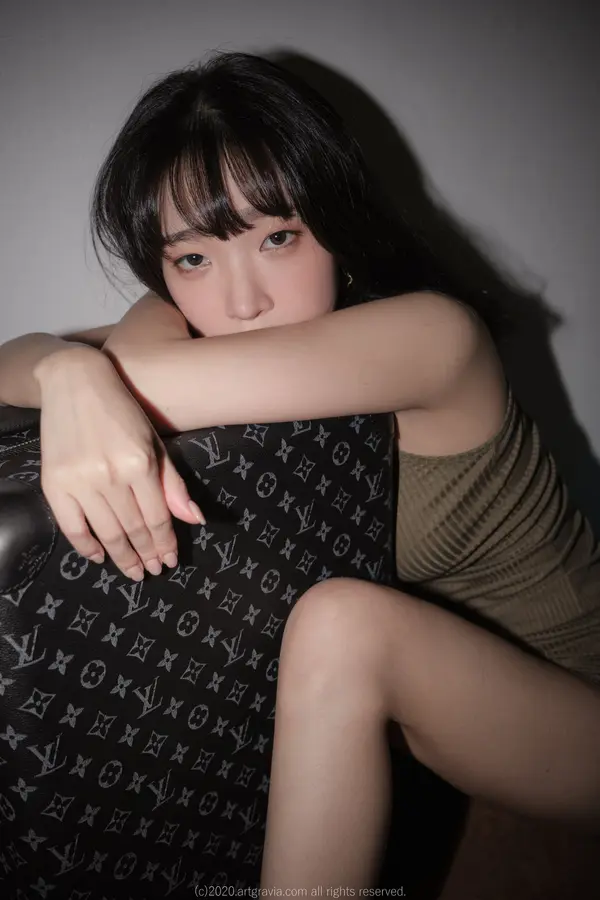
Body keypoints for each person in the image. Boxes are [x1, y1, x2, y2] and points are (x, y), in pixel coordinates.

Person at [0, 50, 599, 891]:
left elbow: (139, 371)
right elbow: (11, 362)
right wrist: (66, 369)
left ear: (339, 229)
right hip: (447, 751)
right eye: (193, 260)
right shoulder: (238, 340)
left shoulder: (432, 337)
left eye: (279, 238)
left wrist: (101, 357)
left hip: (575, 710)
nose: (243, 303)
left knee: (344, 625)